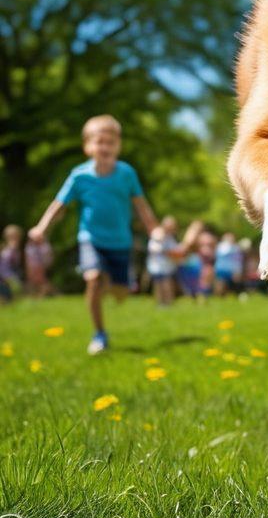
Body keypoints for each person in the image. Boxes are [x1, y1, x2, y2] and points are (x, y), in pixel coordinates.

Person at [29, 115, 158, 353]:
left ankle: (110, 284)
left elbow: (140, 204)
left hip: (120, 242)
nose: (105, 147)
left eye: (111, 142)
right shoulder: (79, 176)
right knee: (94, 279)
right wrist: (42, 227)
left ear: (118, 146)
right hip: (91, 239)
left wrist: (153, 228)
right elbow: (59, 205)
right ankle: (100, 334)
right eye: (100, 141)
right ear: (87, 146)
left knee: (120, 293)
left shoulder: (126, 174)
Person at [147, 215, 180, 306]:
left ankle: (169, 303)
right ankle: (160, 303)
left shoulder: (171, 238)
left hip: (167, 266)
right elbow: (153, 248)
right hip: (157, 265)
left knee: (167, 284)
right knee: (158, 285)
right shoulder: (157, 235)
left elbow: (175, 250)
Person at [24, 231, 54, 298]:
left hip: (42, 265)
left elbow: (48, 257)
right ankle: (35, 294)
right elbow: (27, 259)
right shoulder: (30, 246)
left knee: (42, 280)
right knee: (33, 281)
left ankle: (44, 294)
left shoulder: (45, 246)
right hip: (32, 266)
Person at [214, 231, 243, 296]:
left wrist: (238, 271)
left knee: (233, 287)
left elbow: (238, 261)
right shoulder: (219, 247)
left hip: (232, 271)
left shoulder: (236, 248)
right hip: (220, 270)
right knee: (220, 285)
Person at [0, 225, 24, 302]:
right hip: (6, 278)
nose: (15, 240)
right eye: (12, 237)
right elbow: (3, 267)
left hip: (13, 277)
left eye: (16, 237)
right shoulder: (6, 251)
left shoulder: (17, 251)